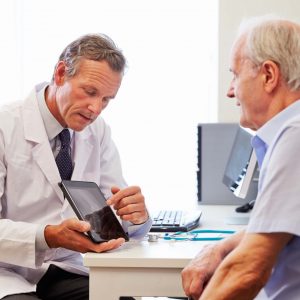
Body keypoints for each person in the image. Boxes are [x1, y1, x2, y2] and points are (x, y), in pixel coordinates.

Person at [0, 33, 152, 299]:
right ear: (60, 73)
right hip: (9, 271)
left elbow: (110, 211)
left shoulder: (98, 132)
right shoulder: (5, 127)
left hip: (67, 268)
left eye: (106, 99)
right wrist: (48, 236)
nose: (95, 108)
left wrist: (134, 216)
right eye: (90, 92)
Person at [181, 16, 300, 300]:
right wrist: (219, 248)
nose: (230, 90)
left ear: (269, 75)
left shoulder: (295, 135)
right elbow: (275, 226)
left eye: (235, 74)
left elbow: (248, 270)